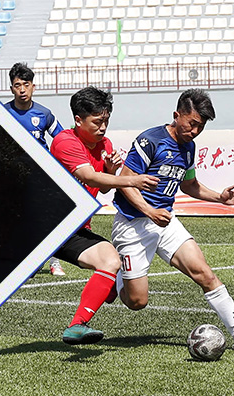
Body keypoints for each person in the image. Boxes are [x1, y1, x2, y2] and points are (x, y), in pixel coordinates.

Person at [111, 89, 234, 352]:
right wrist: (149, 210)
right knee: (137, 302)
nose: (195, 131)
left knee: (205, 274)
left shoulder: (189, 147)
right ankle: (115, 277)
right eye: (192, 124)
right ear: (177, 115)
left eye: (201, 126)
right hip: (133, 223)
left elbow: (189, 184)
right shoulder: (150, 141)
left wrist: (220, 197)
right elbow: (126, 182)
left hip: (166, 222)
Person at [50, 86, 159, 344]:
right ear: (78, 120)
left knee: (111, 260)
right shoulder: (65, 141)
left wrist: (110, 171)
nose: (103, 128)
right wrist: (130, 181)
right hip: (46, 228)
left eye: (106, 121)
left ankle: (77, 325)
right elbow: (87, 175)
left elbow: (101, 186)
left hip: (73, 228)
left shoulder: (105, 145)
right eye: (97, 122)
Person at [4, 62, 67, 276]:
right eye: (17, 85)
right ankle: (28, 262)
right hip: (15, 177)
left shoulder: (44, 114)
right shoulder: (3, 114)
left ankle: (55, 261)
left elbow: (62, 140)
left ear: (33, 86)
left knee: (48, 218)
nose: (22, 89)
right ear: (11, 88)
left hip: (41, 177)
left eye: (26, 84)